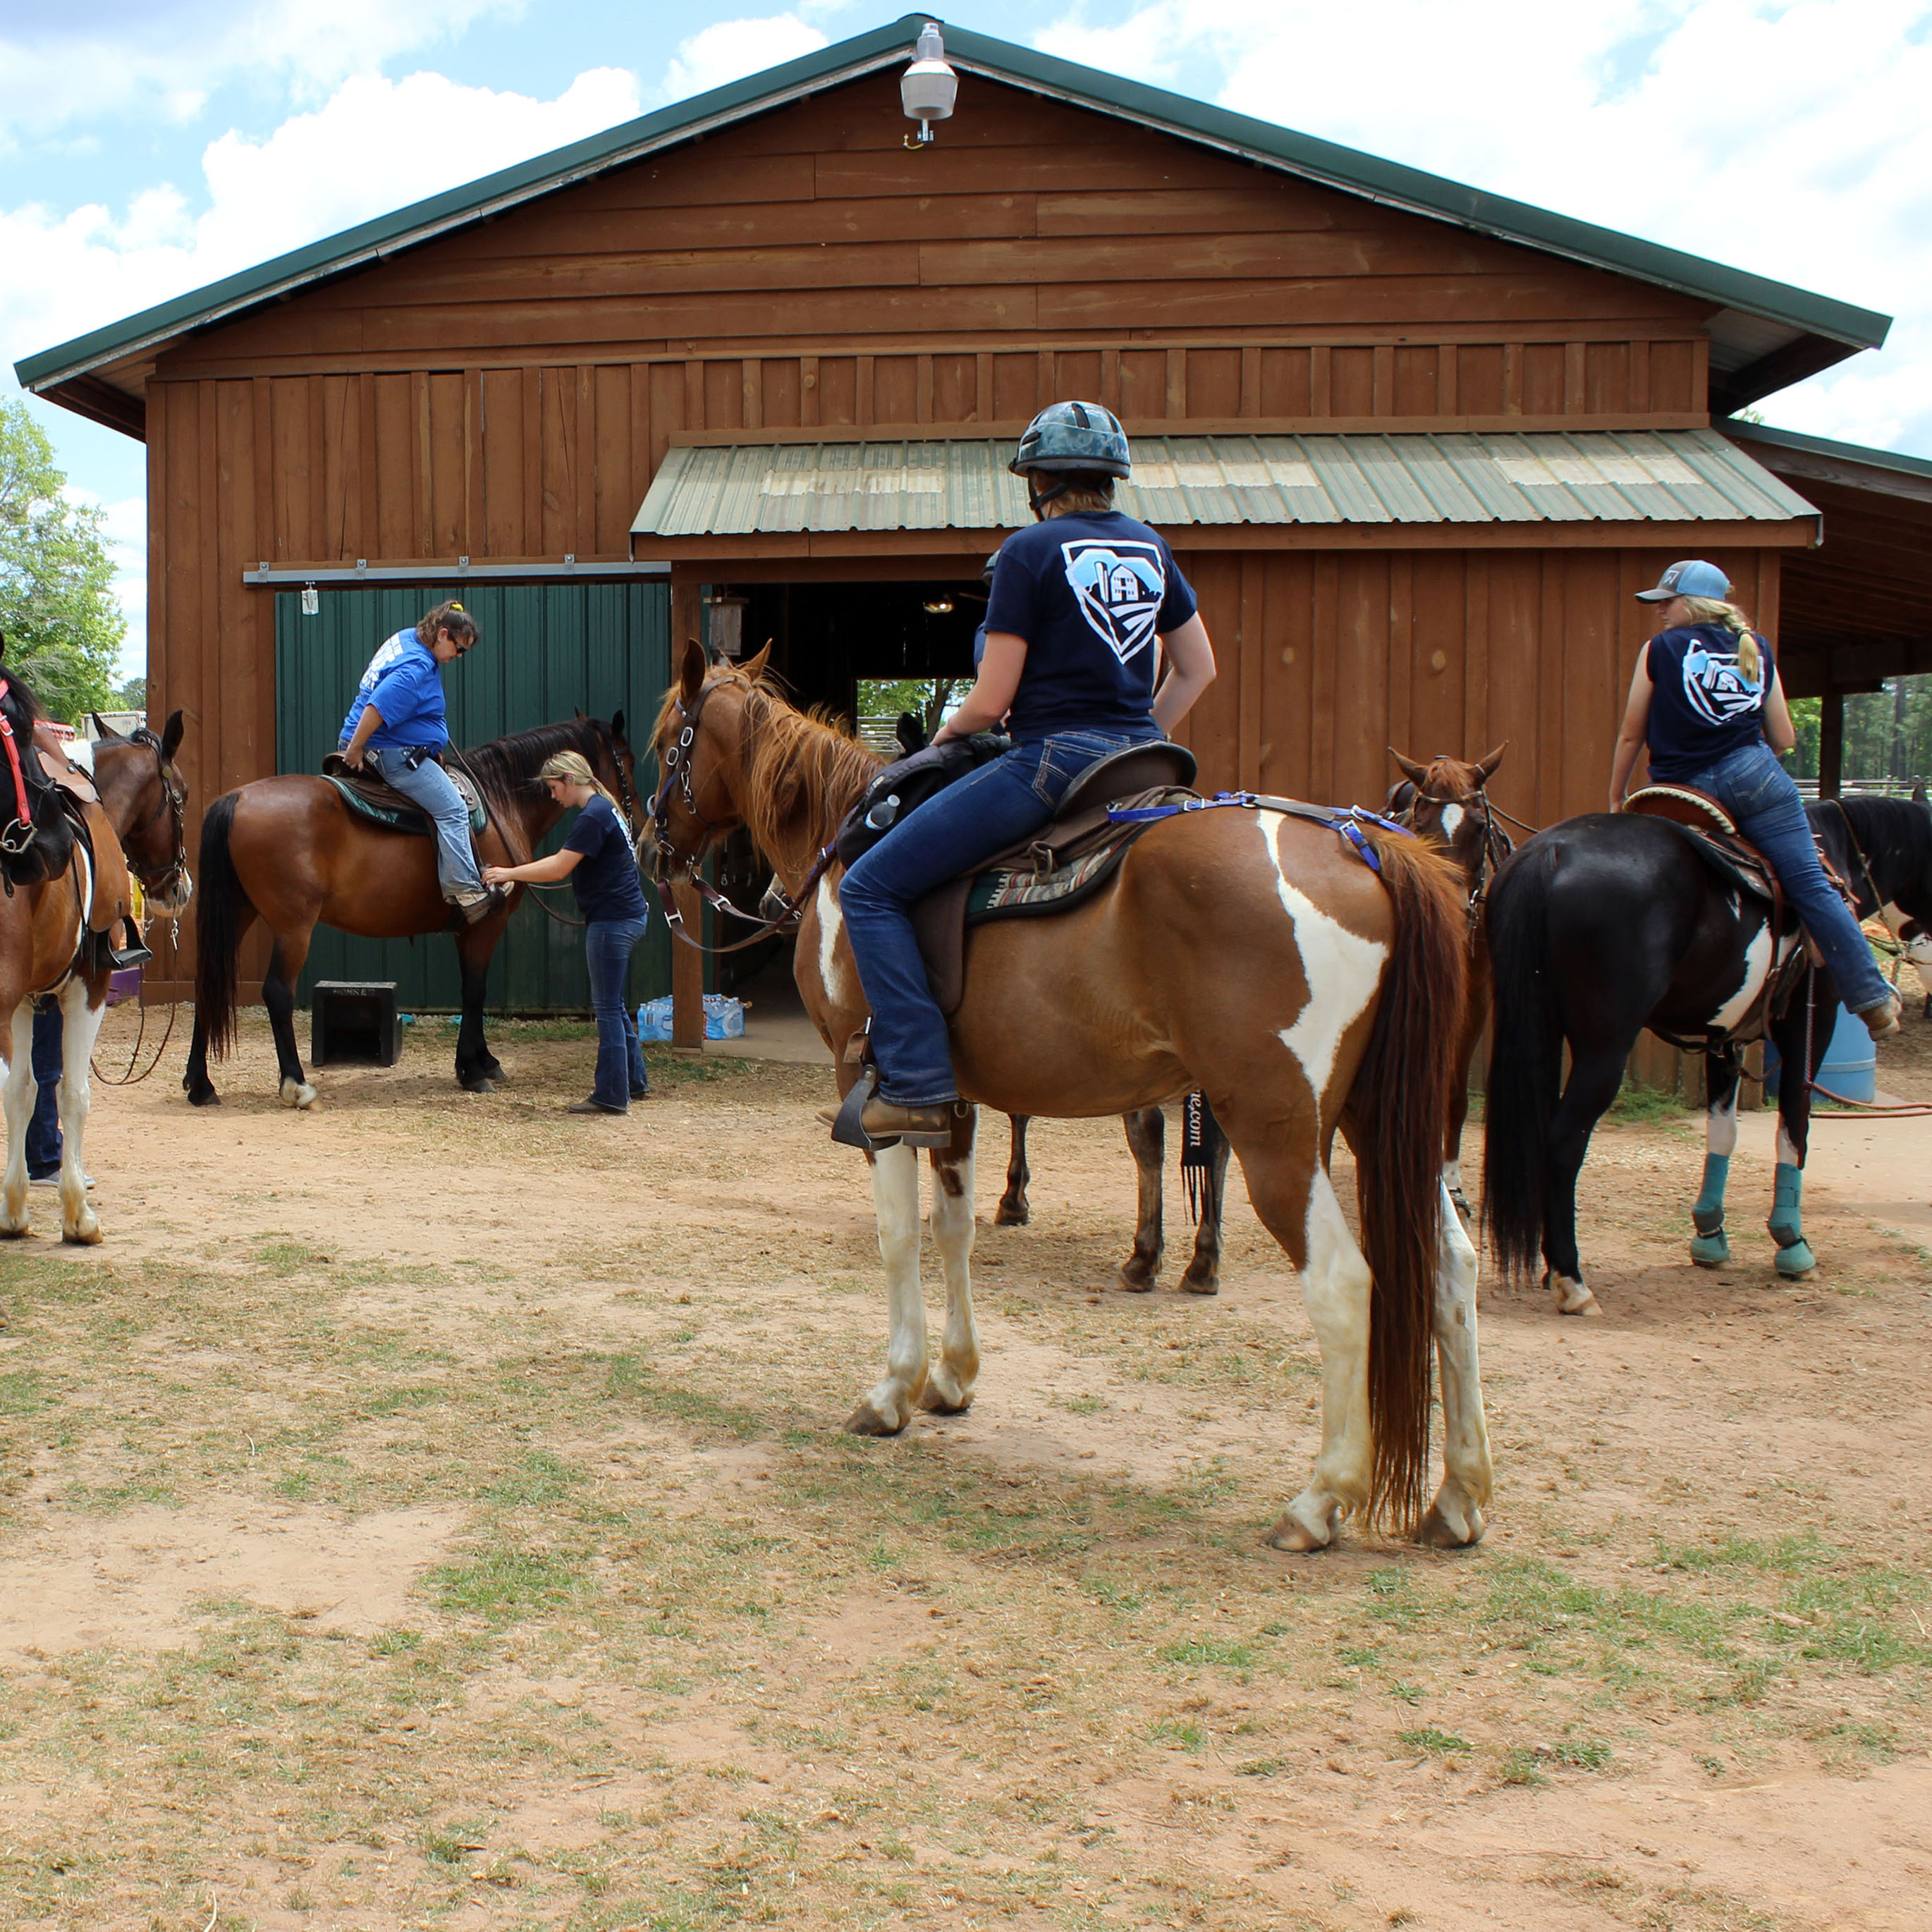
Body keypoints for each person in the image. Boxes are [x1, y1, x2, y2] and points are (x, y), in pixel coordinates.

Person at [838, 401, 1218, 1143]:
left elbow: (993, 698)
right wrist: (1142, 732)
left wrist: (940, 741)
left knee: (870, 886)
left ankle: (915, 1079)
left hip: (1052, 762)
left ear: (1037, 479)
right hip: (1142, 761)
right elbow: (1198, 669)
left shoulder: (1028, 551)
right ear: (1111, 478)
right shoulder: (1152, 548)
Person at [1608, 558, 1900, 1040]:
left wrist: (1618, 794)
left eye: (1668, 602)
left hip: (1686, 789)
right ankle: (1871, 1000)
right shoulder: (1756, 648)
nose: (1660, 612)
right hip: (1757, 779)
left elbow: (1629, 735)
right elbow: (1783, 736)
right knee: (1811, 885)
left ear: (1694, 604)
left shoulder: (1658, 650)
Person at [482, 750, 653, 1113]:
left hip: (612, 922)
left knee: (607, 1007)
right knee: (615, 1004)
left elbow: (559, 867)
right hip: (628, 916)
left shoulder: (592, 816)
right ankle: (633, 1082)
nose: (553, 796)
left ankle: (611, 1095)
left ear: (571, 781)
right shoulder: (607, 810)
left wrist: (508, 873)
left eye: (554, 788)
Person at [338, 601, 499, 923]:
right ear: (442, 634)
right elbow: (377, 708)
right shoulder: (415, 669)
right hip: (390, 753)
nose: (459, 657)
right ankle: (464, 887)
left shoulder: (409, 638)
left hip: (387, 743)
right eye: (459, 648)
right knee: (453, 809)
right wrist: (354, 750)